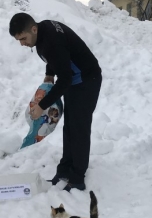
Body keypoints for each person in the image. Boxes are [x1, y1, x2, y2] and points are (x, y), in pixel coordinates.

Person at [9, 13, 101, 191]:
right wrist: (49, 74)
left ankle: (77, 177)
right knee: (69, 127)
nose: (22, 43)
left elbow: (64, 79)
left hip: (87, 79)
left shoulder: (51, 42)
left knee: (79, 128)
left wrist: (41, 106)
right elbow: (55, 58)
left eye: (23, 38)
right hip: (75, 79)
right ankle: (65, 168)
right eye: (18, 40)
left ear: (33, 29)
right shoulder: (43, 32)